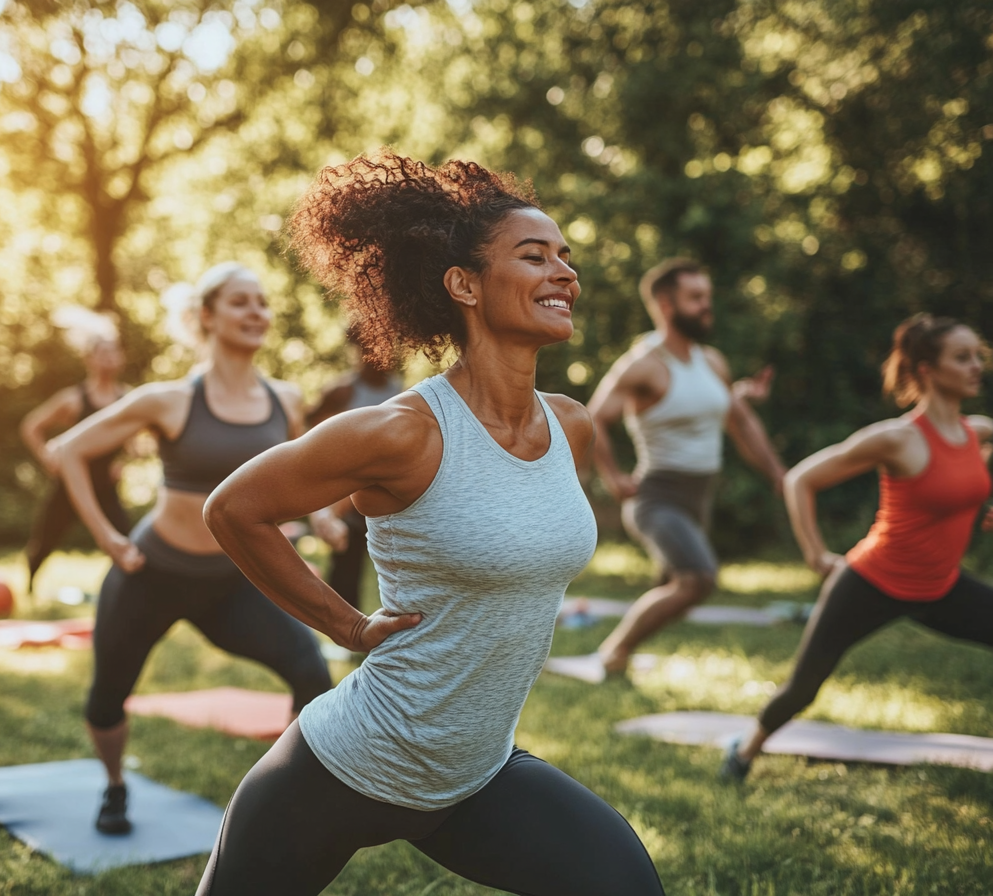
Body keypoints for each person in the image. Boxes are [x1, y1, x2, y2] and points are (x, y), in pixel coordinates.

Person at [195, 150, 665, 895]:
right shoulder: (402, 433)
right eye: (535, 256)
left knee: (626, 887)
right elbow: (234, 510)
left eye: (567, 258)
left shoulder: (570, 428)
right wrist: (347, 627)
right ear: (464, 285)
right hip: (351, 762)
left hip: (475, 774)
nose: (565, 273)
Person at [47, 262, 332, 836]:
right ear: (207, 317)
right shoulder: (170, 400)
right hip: (151, 574)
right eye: (239, 302)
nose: (256, 312)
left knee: (312, 675)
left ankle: (283, 797)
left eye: (262, 302)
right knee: (107, 696)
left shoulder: (285, 399)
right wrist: (109, 537)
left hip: (233, 583)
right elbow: (67, 450)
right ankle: (114, 787)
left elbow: (300, 469)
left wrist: (322, 516)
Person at [721, 314, 993, 781]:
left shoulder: (978, 431)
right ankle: (744, 751)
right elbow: (801, 480)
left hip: (941, 585)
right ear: (927, 369)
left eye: (978, 357)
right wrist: (815, 553)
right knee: (804, 688)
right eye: (962, 357)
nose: (976, 367)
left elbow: (975, 471)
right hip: (873, 580)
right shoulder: (897, 438)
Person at [587, 258, 787, 675]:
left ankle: (624, 657)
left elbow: (741, 423)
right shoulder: (643, 365)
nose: (705, 306)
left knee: (674, 587)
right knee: (697, 579)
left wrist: (779, 476)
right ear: (665, 303)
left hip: (700, 496)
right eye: (695, 298)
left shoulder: (712, 361)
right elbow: (593, 420)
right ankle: (614, 652)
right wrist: (613, 477)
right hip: (658, 497)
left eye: (707, 296)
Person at [19, 308, 130, 594]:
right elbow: (31, 426)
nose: (108, 357)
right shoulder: (73, 399)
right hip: (70, 483)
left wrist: (125, 462)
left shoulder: (128, 399)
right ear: (88, 359)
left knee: (127, 538)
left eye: (113, 351)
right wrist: (47, 457)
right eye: (101, 352)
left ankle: (127, 589)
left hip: (105, 485)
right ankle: (30, 586)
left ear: (121, 357)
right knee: (45, 540)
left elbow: (136, 439)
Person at [304, 333, 405, 612]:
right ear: (358, 348)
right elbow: (307, 432)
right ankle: (343, 623)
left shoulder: (399, 389)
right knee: (346, 561)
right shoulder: (343, 391)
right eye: (371, 344)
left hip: (388, 490)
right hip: (346, 494)